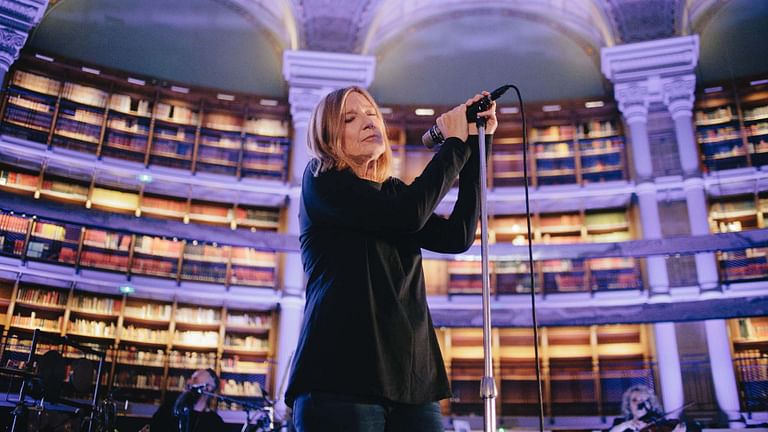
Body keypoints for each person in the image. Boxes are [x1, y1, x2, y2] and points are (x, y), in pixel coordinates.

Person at [284, 85, 497, 432]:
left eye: (372, 114)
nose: (369, 122)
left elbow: (456, 237)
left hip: (412, 381)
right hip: (339, 379)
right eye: (350, 118)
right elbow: (406, 215)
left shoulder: (394, 194)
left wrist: (475, 144)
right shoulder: (320, 181)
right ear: (327, 137)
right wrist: (454, 145)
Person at [140, 368, 225, 432]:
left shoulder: (215, 422)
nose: (188, 382)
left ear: (208, 388)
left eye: (195, 379)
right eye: (190, 378)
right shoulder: (167, 410)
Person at [609, 384, 686, 432]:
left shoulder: (660, 423)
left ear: (650, 404)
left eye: (642, 400)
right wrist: (626, 425)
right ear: (628, 405)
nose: (639, 403)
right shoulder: (619, 423)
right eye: (634, 400)